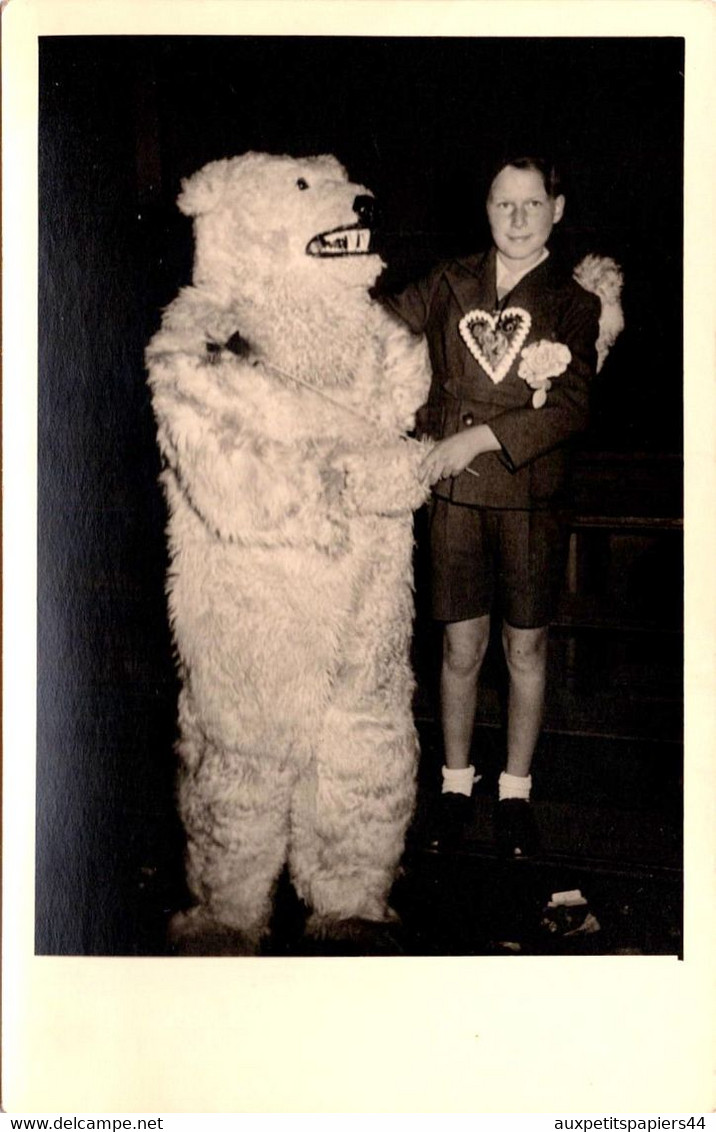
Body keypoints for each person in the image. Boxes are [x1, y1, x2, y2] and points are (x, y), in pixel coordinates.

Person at [385, 155, 601, 858]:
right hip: (454, 497)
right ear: (484, 208)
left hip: (529, 497)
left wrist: (475, 436)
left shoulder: (575, 301)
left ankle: (514, 791)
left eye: (531, 205)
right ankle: (454, 785)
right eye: (503, 204)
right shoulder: (449, 282)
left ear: (556, 211)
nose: (516, 219)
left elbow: (568, 410)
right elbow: (376, 329)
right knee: (459, 645)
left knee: (526, 646)